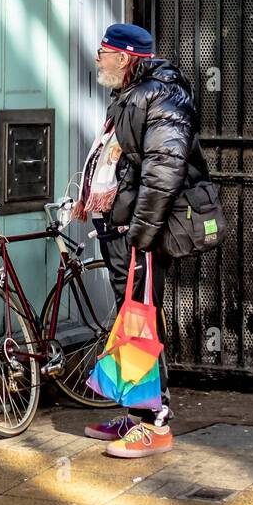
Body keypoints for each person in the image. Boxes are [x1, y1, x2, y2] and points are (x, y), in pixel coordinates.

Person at [76, 23, 198, 457]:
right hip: (123, 229)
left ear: (124, 58)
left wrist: (141, 236)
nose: (97, 58)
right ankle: (135, 413)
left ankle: (156, 424)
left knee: (142, 322)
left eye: (103, 51)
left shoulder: (163, 96)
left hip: (139, 234)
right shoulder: (132, 95)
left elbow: (164, 171)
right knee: (132, 318)